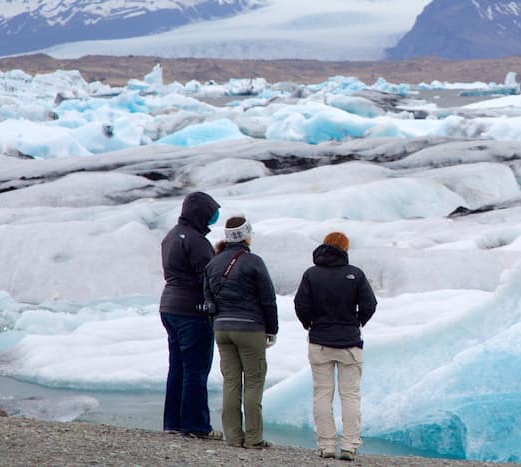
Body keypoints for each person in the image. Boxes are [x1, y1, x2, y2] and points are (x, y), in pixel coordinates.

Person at [294, 232, 377, 462]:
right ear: (345, 249)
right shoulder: (355, 274)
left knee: (322, 393)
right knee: (350, 394)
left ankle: (326, 445)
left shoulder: (311, 274)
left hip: (320, 341)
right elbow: (369, 304)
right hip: (349, 342)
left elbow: (300, 304)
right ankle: (349, 446)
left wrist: (309, 324)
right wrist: (358, 322)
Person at [203, 214, 279, 449]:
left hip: (222, 328)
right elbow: (268, 298)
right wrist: (272, 329)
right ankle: (254, 438)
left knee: (231, 382)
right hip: (250, 328)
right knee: (254, 381)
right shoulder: (253, 261)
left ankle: (234, 437)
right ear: (246, 235)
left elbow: (207, 297)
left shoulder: (213, 263)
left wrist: (216, 323)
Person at [159, 191, 223, 440]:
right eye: (210, 213)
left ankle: (173, 422)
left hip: (169, 306)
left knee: (177, 367)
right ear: (200, 214)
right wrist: (216, 304)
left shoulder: (171, 236)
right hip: (191, 310)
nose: (213, 218)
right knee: (196, 369)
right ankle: (196, 426)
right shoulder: (196, 240)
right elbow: (209, 277)